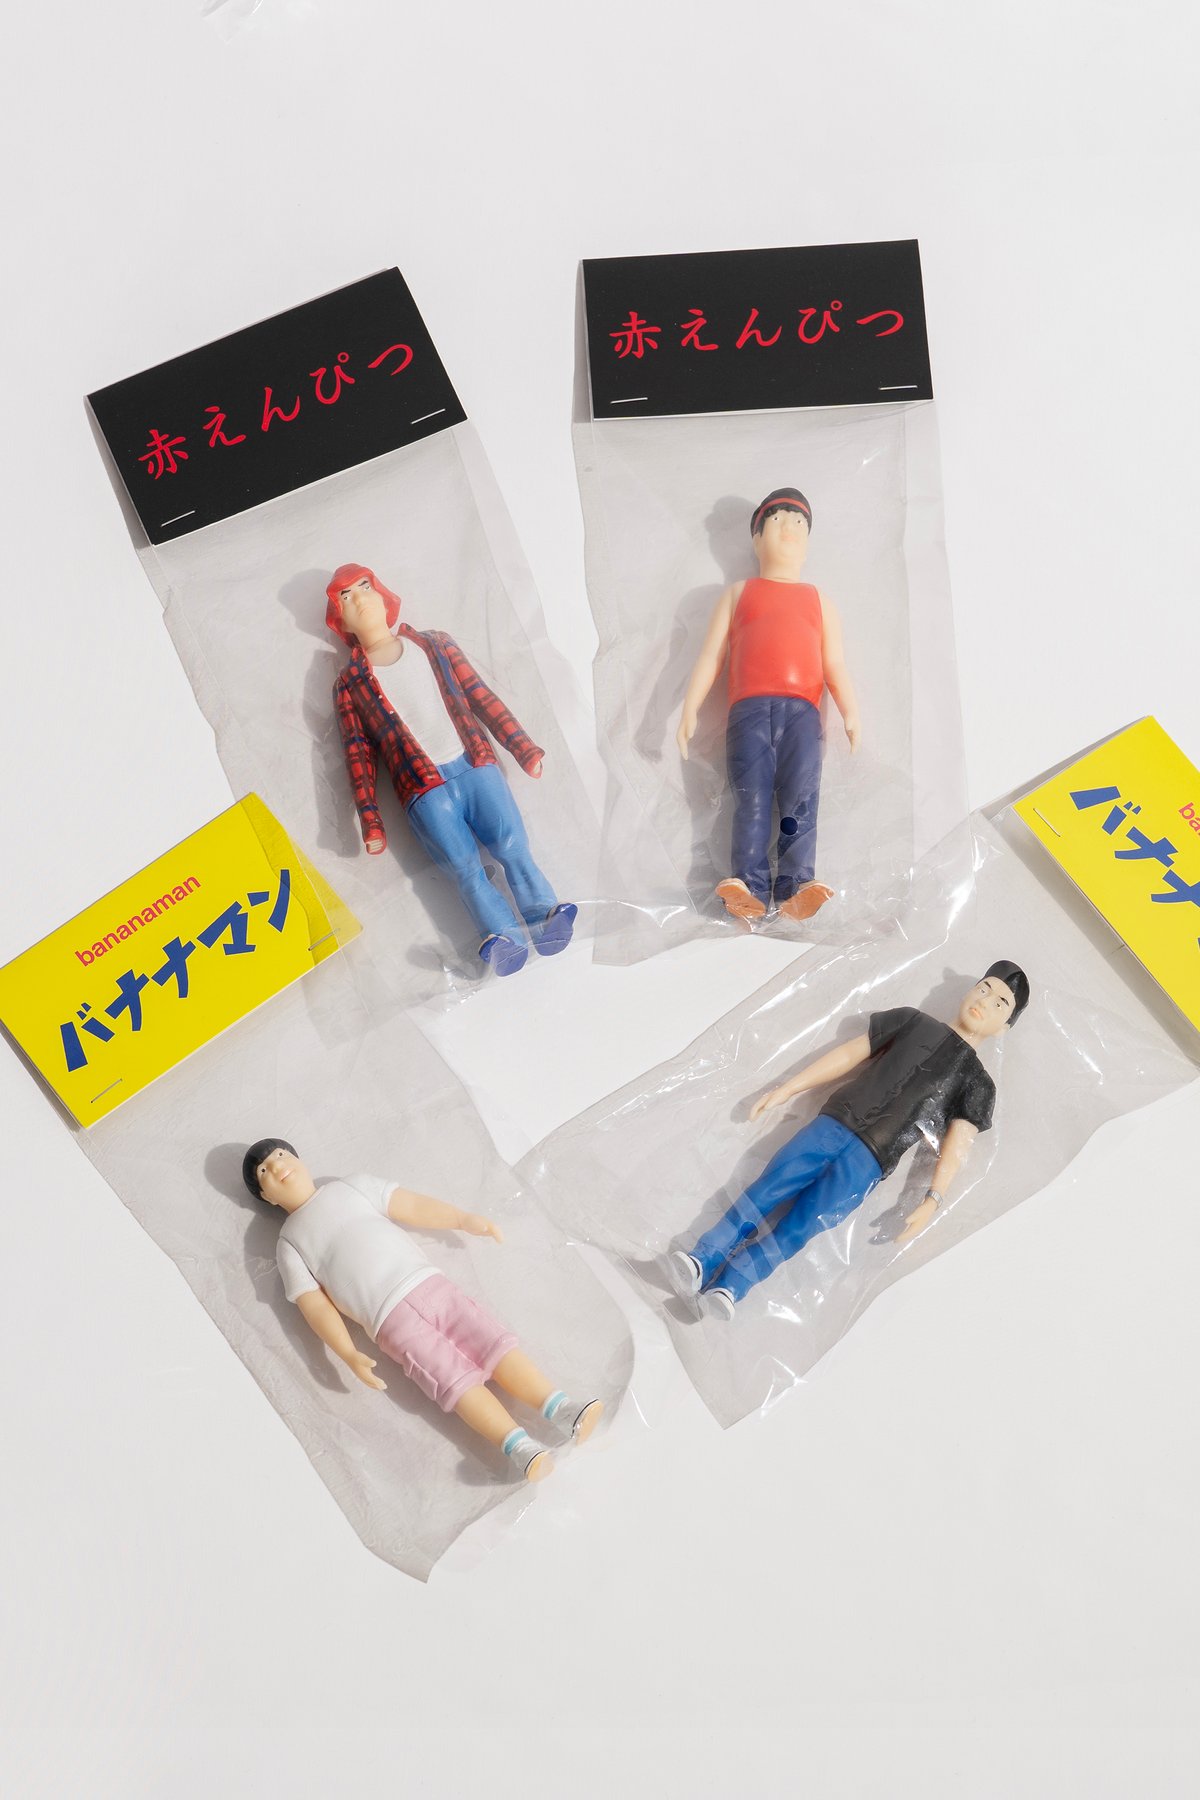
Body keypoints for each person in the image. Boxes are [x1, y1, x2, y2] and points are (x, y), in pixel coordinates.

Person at [668, 963, 1030, 1319]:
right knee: (768, 1188)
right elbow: (848, 1054)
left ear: (1004, 1028)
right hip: (833, 1125)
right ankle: (704, 1257)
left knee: (801, 1227)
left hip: (870, 1162)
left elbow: (957, 1145)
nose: (985, 1000)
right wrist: (790, 1087)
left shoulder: (977, 1084)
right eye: (984, 988)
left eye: (1000, 1003)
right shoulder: (911, 1020)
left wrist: (933, 1198)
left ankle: (734, 1285)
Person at [245, 1138, 603, 1480]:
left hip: (430, 1285)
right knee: (454, 1382)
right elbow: (315, 1306)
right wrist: (346, 1352)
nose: (276, 1167)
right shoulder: (290, 1243)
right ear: (266, 1197)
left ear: (300, 1160)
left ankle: (561, 1408)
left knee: (493, 1344)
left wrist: (460, 1218)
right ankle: (518, 1447)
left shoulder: (351, 1186)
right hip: (390, 1322)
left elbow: (412, 1206)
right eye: (264, 1171)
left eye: (280, 1155)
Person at [327, 562, 575, 976]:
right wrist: (371, 820)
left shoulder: (434, 644)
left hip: (474, 761)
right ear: (341, 621)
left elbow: (480, 695)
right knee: (463, 867)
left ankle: (545, 916)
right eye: (346, 597)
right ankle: (504, 939)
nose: (359, 599)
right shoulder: (350, 683)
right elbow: (358, 755)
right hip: (422, 789)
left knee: (511, 843)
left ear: (384, 594)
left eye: (365, 587)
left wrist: (522, 747)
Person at [676, 488, 861, 923]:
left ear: (809, 542)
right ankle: (750, 884)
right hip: (749, 713)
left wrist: (850, 710)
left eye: (798, 522)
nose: (789, 528)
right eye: (777, 520)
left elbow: (834, 662)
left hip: (804, 715)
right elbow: (711, 655)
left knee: (800, 800)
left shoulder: (819, 600)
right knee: (752, 800)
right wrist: (689, 708)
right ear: (756, 538)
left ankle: (796, 883)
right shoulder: (739, 593)